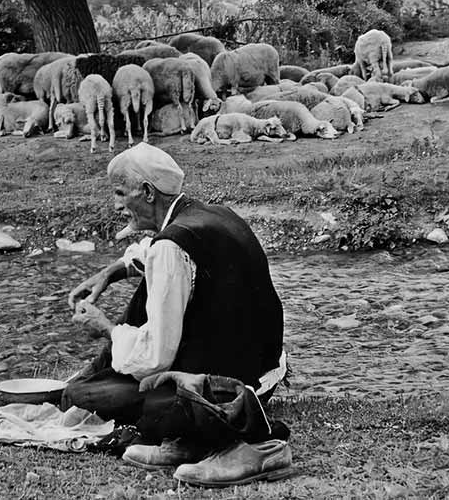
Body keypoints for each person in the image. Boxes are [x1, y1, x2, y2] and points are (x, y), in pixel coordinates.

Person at [64, 142, 291, 486]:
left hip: (233, 388)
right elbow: (155, 254)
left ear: (147, 192)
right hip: (263, 369)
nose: (116, 204)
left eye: (120, 193)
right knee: (127, 385)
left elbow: (157, 355)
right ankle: (191, 440)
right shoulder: (211, 215)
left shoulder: (171, 246)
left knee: (103, 398)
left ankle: (255, 445)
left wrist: (107, 329)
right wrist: (109, 273)